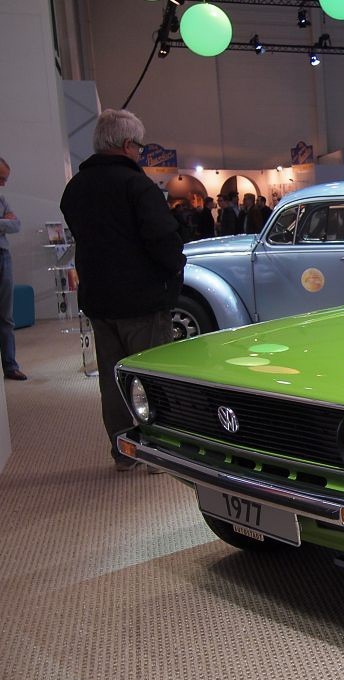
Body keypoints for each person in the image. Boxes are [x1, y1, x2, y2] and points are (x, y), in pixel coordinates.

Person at [59, 109, 185, 472]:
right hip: (142, 300)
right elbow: (163, 239)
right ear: (128, 144)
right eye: (139, 146)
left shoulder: (75, 188)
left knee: (112, 380)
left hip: (99, 300)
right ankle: (157, 453)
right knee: (151, 378)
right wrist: (174, 268)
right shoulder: (137, 186)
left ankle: (123, 451)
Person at [0, 156, 27, 380]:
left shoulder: (2, 199)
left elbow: (16, 224)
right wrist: (4, 221)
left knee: (6, 316)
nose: (4, 183)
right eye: (1, 178)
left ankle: (10, 365)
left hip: (4, 257)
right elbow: (9, 223)